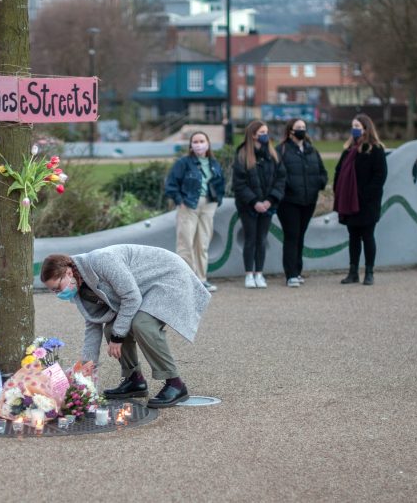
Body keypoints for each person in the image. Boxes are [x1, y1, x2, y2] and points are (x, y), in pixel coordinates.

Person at [40, 244, 211, 408]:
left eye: (57, 288)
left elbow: (131, 297)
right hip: (142, 289)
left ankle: (175, 384)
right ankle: (134, 380)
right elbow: (93, 325)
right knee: (111, 329)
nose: (58, 293)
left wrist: (118, 337)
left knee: (142, 324)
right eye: (53, 291)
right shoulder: (80, 290)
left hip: (168, 275)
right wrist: (87, 368)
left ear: (68, 272)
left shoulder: (101, 261)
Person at [165, 131, 226, 292]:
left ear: (208, 143)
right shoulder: (184, 163)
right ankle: (187, 279)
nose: (199, 144)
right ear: (191, 145)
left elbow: (221, 183)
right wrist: (179, 201)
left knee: (203, 243)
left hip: (208, 205)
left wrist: (217, 201)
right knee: (185, 243)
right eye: (195, 142)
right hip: (188, 205)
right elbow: (171, 184)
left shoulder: (213, 163)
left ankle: (201, 279)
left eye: (202, 141)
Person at [333, 113, 387, 285]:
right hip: (350, 201)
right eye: (353, 126)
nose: (354, 129)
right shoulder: (349, 150)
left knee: (368, 236)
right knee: (353, 237)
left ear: (366, 128)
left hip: (367, 202)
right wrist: (339, 191)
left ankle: (369, 272)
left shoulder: (376, 150)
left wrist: (364, 195)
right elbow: (339, 171)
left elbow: (380, 176)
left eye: (357, 126)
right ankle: (353, 272)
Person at [232, 120, 286, 289]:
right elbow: (239, 184)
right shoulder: (242, 155)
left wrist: (270, 200)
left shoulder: (273, 155)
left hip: (268, 206)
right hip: (248, 207)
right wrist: (254, 202)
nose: (266, 135)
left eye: (266, 132)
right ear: (253, 135)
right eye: (262, 132)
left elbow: (281, 178)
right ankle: (249, 274)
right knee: (250, 239)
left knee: (262, 239)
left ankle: (259, 274)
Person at [275, 119, 328, 287]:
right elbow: (278, 174)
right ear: (290, 131)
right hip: (288, 201)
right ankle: (290, 274)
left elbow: (322, 172)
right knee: (291, 235)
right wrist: (289, 187)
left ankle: (297, 271)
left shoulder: (312, 150)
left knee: (300, 236)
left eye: (304, 128)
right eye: (298, 128)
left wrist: (319, 183)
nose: (302, 130)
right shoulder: (281, 150)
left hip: (308, 200)